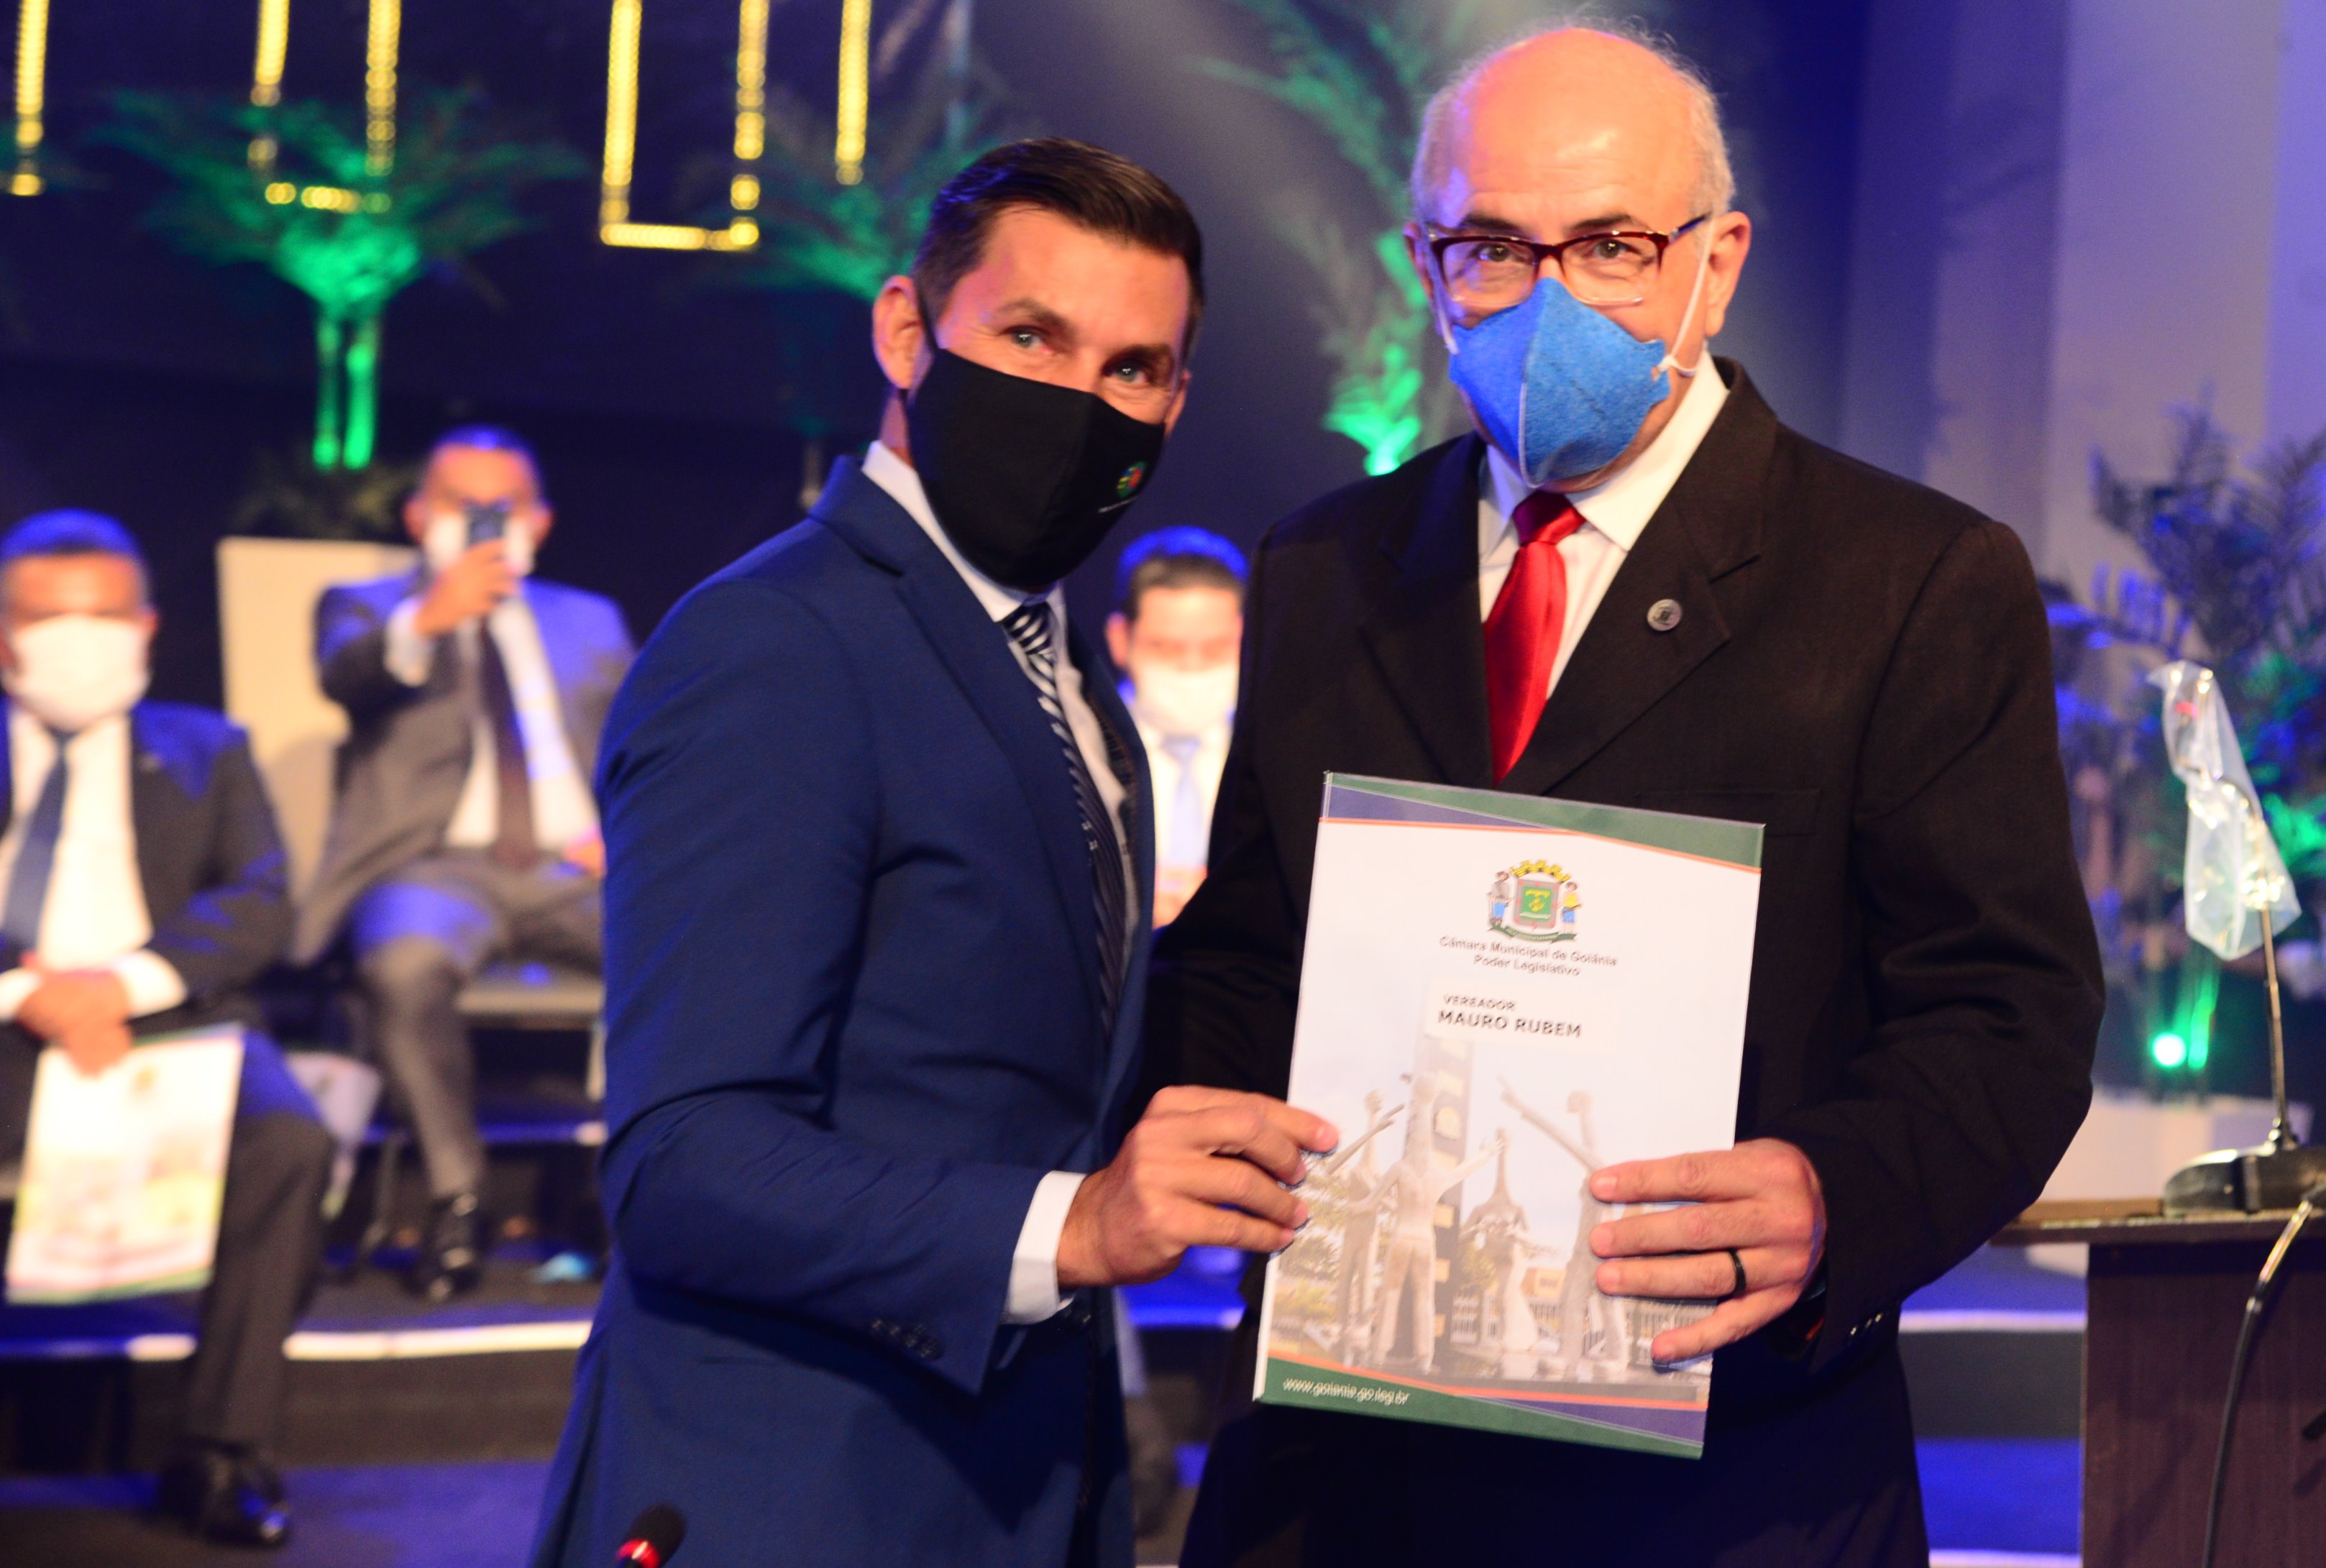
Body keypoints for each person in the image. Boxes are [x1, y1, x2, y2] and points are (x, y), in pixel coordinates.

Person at [1150, 25, 2103, 1566]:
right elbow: (1255, 948)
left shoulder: (1910, 579)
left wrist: (1833, 1194)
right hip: (1342, 1465)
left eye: (1609, 247)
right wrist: (1196, 1104)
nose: (1547, 302)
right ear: (1426, 265)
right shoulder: (1324, 563)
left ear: (1714, 266)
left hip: (1731, 1475)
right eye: (1489, 248)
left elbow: (2009, 1014)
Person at [528, 139, 1333, 1568]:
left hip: (1013, 1477)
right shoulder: (775, 640)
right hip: (791, 1493)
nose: (1079, 401)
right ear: (906, 332)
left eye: (1132, 368)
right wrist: (1074, 1225)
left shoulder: (1065, 678)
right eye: (1030, 336)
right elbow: (682, 1162)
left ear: (1177, 400)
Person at [0, 511, 330, 1547]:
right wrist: (27, 991)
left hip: (167, 1012)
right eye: (50, 620)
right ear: (5, 631)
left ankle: (222, 1453)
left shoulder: (208, 747)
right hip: (9, 1014)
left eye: (104, 618)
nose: (80, 643)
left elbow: (261, 895)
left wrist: (121, 984)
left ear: (147, 626)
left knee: (289, 1138)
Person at [295, 428, 634, 1300]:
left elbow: (644, 745)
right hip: (434, 870)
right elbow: (347, 675)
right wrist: (427, 619)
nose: (485, 519)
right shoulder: (364, 605)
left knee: (700, 952)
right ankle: (459, 1196)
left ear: (539, 520)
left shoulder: (588, 617)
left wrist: (626, 826)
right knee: (402, 963)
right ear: (419, 516)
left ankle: (638, 1195)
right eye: (462, 503)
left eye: (503, 504)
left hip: (575, 870)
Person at [1103, 527, 1246, 927]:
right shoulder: (1076, 751)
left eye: (1217, 649)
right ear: (1121, 639)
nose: (1192, 669)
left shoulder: (1275, 756)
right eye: (1167, 648)